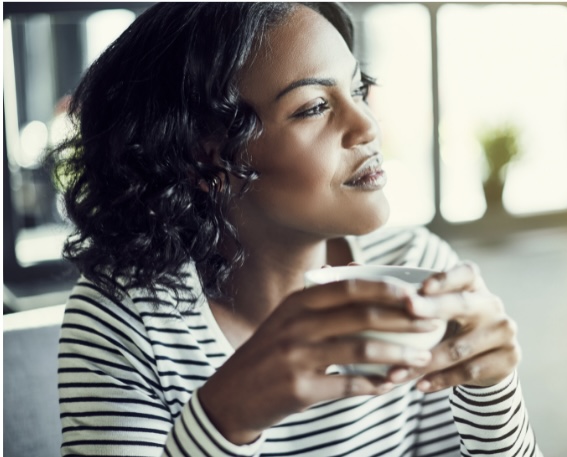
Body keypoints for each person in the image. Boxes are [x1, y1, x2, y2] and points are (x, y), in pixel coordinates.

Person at [51, 3, 542, 456]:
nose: (366, 124)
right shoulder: (123, 318)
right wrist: (223, 419)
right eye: (313, 107)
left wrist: (491, 396)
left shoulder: (419, 267)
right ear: (206, 157)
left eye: (356, 89)